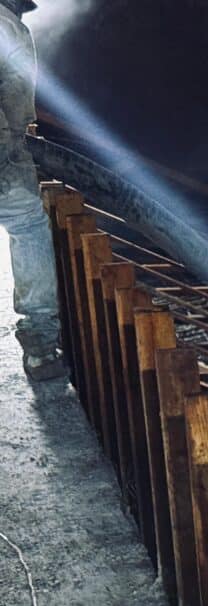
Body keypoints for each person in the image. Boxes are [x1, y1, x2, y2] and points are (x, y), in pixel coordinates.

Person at [0, 0, 65, 383]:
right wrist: (10, 148)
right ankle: (40, 346)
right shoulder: (6, 25)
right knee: (28, 226)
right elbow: (12, 95)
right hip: (2, 149)